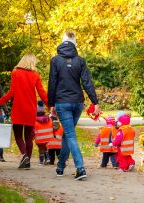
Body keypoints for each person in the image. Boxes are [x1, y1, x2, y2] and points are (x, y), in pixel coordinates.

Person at [48, 30, 100, 180]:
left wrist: (51, 104)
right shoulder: (80, 60)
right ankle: (60, 167)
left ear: (62, 41)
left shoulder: (55, 60)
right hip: (78, 102)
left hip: (62, 102)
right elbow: (87, 82)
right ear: (74, 43)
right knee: (67, 134)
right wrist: (95, 102)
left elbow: (53, 83)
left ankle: (80, 168)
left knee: (70, 135)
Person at [0, 54, 48, 170]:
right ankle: (27, 162)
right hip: (30, 109)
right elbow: (42, 93)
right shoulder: (35, 75)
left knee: (18, 135)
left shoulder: (15, 72)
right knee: (28, 137)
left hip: (18, 109)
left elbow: (12, 92)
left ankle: (25, 156)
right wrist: (50, 105)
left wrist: (0, 102)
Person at [34, 101, 53, 166]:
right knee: (45, 147)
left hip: (39, 138)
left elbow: (33, 130)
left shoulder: (35, 120)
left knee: (40, 149)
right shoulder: (48, 119)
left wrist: (32, 136)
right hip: (47, 137)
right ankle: (47, 158)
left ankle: (41, 161)